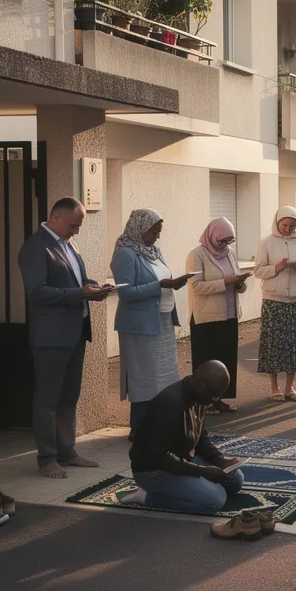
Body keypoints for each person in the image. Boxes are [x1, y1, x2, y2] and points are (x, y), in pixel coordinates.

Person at [17, 197, 112, 479]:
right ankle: (47, 459)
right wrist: (79, 294)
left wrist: (92, 288)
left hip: (75, 333)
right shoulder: (35, 248)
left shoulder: (68, 245)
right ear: (55, 217)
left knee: (69, 397)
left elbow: (74, 284)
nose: (77, 231)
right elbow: (37, 292)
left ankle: (67, 452)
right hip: (50, 337)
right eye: (74, 225)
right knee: (47, 400)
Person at [121, 361, 247, 518]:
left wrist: (220, 460)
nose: (214, 401)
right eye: (213, 396)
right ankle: (147, 496)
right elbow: (158, 457)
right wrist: (202, 471)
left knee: (235, 479)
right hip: (153, 470)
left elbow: (201, 438)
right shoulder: (168, 404)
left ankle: (192, 486)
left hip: (182, 460)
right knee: (215, 499)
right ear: (201, 383)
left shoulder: (199, 397)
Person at [111, 208, 193, 433]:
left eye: (160, 230)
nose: (157, 235)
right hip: (139, 326)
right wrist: (160, 286)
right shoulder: (125, 254)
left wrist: (174, 283)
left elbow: (162, 277)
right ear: (140, 228)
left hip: (162, 321)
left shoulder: (154, 251)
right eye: (154, 230)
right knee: (144, 376)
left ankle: (159, 424)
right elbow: (125, 293)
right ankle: (139, 427)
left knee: (164, 376)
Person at [186, 217, 250, 414]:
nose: (224, 245)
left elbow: (238, 282)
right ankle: (203, 402)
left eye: (228, 241)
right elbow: (195, 286)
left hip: (229, 315)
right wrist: (225, 282)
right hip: (206, 318)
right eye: (221, 241)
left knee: (226, 359)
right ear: (212, 235)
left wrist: (239, 283)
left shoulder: (229, 253)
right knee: (207, 360)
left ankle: (220, 399)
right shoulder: (197, 255)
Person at [253, 206, 296, 401]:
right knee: (274, 345)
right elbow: (258, 271)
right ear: (277, 223)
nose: (288, 229)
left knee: (294, 345)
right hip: (273, 300)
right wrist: (277, 268)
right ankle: (274, 387)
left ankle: (289, 388)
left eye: (292, 226)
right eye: (284, 225)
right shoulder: (266, 243)